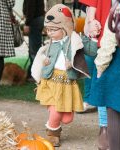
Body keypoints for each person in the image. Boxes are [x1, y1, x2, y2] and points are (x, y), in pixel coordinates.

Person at [31, 4, 89, 147]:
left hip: (66, 81)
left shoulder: (74, 42)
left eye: (53, 29)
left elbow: (90, 50)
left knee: (68, 117)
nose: (49, 33)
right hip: (51, 80)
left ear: (65, 28)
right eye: (48, 30)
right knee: (56, 111)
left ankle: (53, 120)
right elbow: (45, 58)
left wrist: (92, 38)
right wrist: (45, 62)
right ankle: (52, 133)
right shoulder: (50, 44)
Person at [89, 0, 120, 149]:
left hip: (118, 67)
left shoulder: (119, 9)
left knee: (113, 112)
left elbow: (108, 42)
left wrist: (100, 66)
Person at [78, 0, 113, 149]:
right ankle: (104, 128)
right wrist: (90, 23)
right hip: (104, 42)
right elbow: (91, 9)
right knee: (101, 84)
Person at [22, 0, 45, 82]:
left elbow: (30, 8)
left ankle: (35, 74)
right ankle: (33, 73)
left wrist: (27, 23)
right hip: (38, 19)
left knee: (34, 51)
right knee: (36, 49)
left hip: (34, 20)